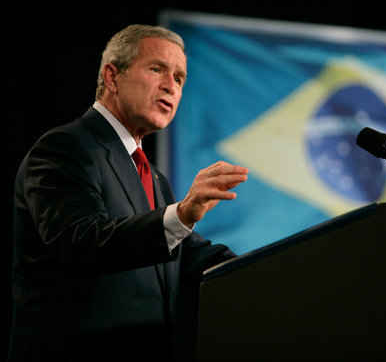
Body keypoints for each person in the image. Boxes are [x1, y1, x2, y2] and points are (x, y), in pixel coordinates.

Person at [9, 24, 249, 361]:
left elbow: (189, 257)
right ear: (111, 77)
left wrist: (281, 267)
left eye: (179, 78)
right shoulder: (64, 148)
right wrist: (179, 216)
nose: (171, 85)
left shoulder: (154, 178)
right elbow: (81, 242)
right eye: (157, 69)